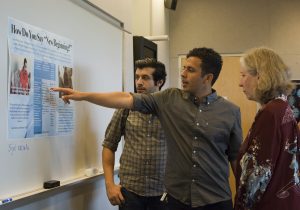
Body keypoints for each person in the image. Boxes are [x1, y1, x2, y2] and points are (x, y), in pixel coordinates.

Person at [51, 47, 242, 210]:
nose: (183, 74)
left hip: (215, 199)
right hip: (173, 199)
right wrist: (83, 95)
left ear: (207, 78)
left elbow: (236, 158)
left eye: (190, 70)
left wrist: (244, 198)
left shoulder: (231, 112)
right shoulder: (169, 99)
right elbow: (125, 98)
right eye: (183, 68)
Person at [235, 47, 300, 210]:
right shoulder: (284, 108)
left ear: (260, 76)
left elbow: (258, 175)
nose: (240, 82)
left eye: (244, 75)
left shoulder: (270, 114)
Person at [102, 58, 167, 210]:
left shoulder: (171, 109)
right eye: (137, 77)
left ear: (160, 82)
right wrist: (110, 185)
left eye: (145, 78)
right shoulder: (125, 108)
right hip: (130, 192)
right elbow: (109, 145)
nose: (139, 82)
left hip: (164, 193)